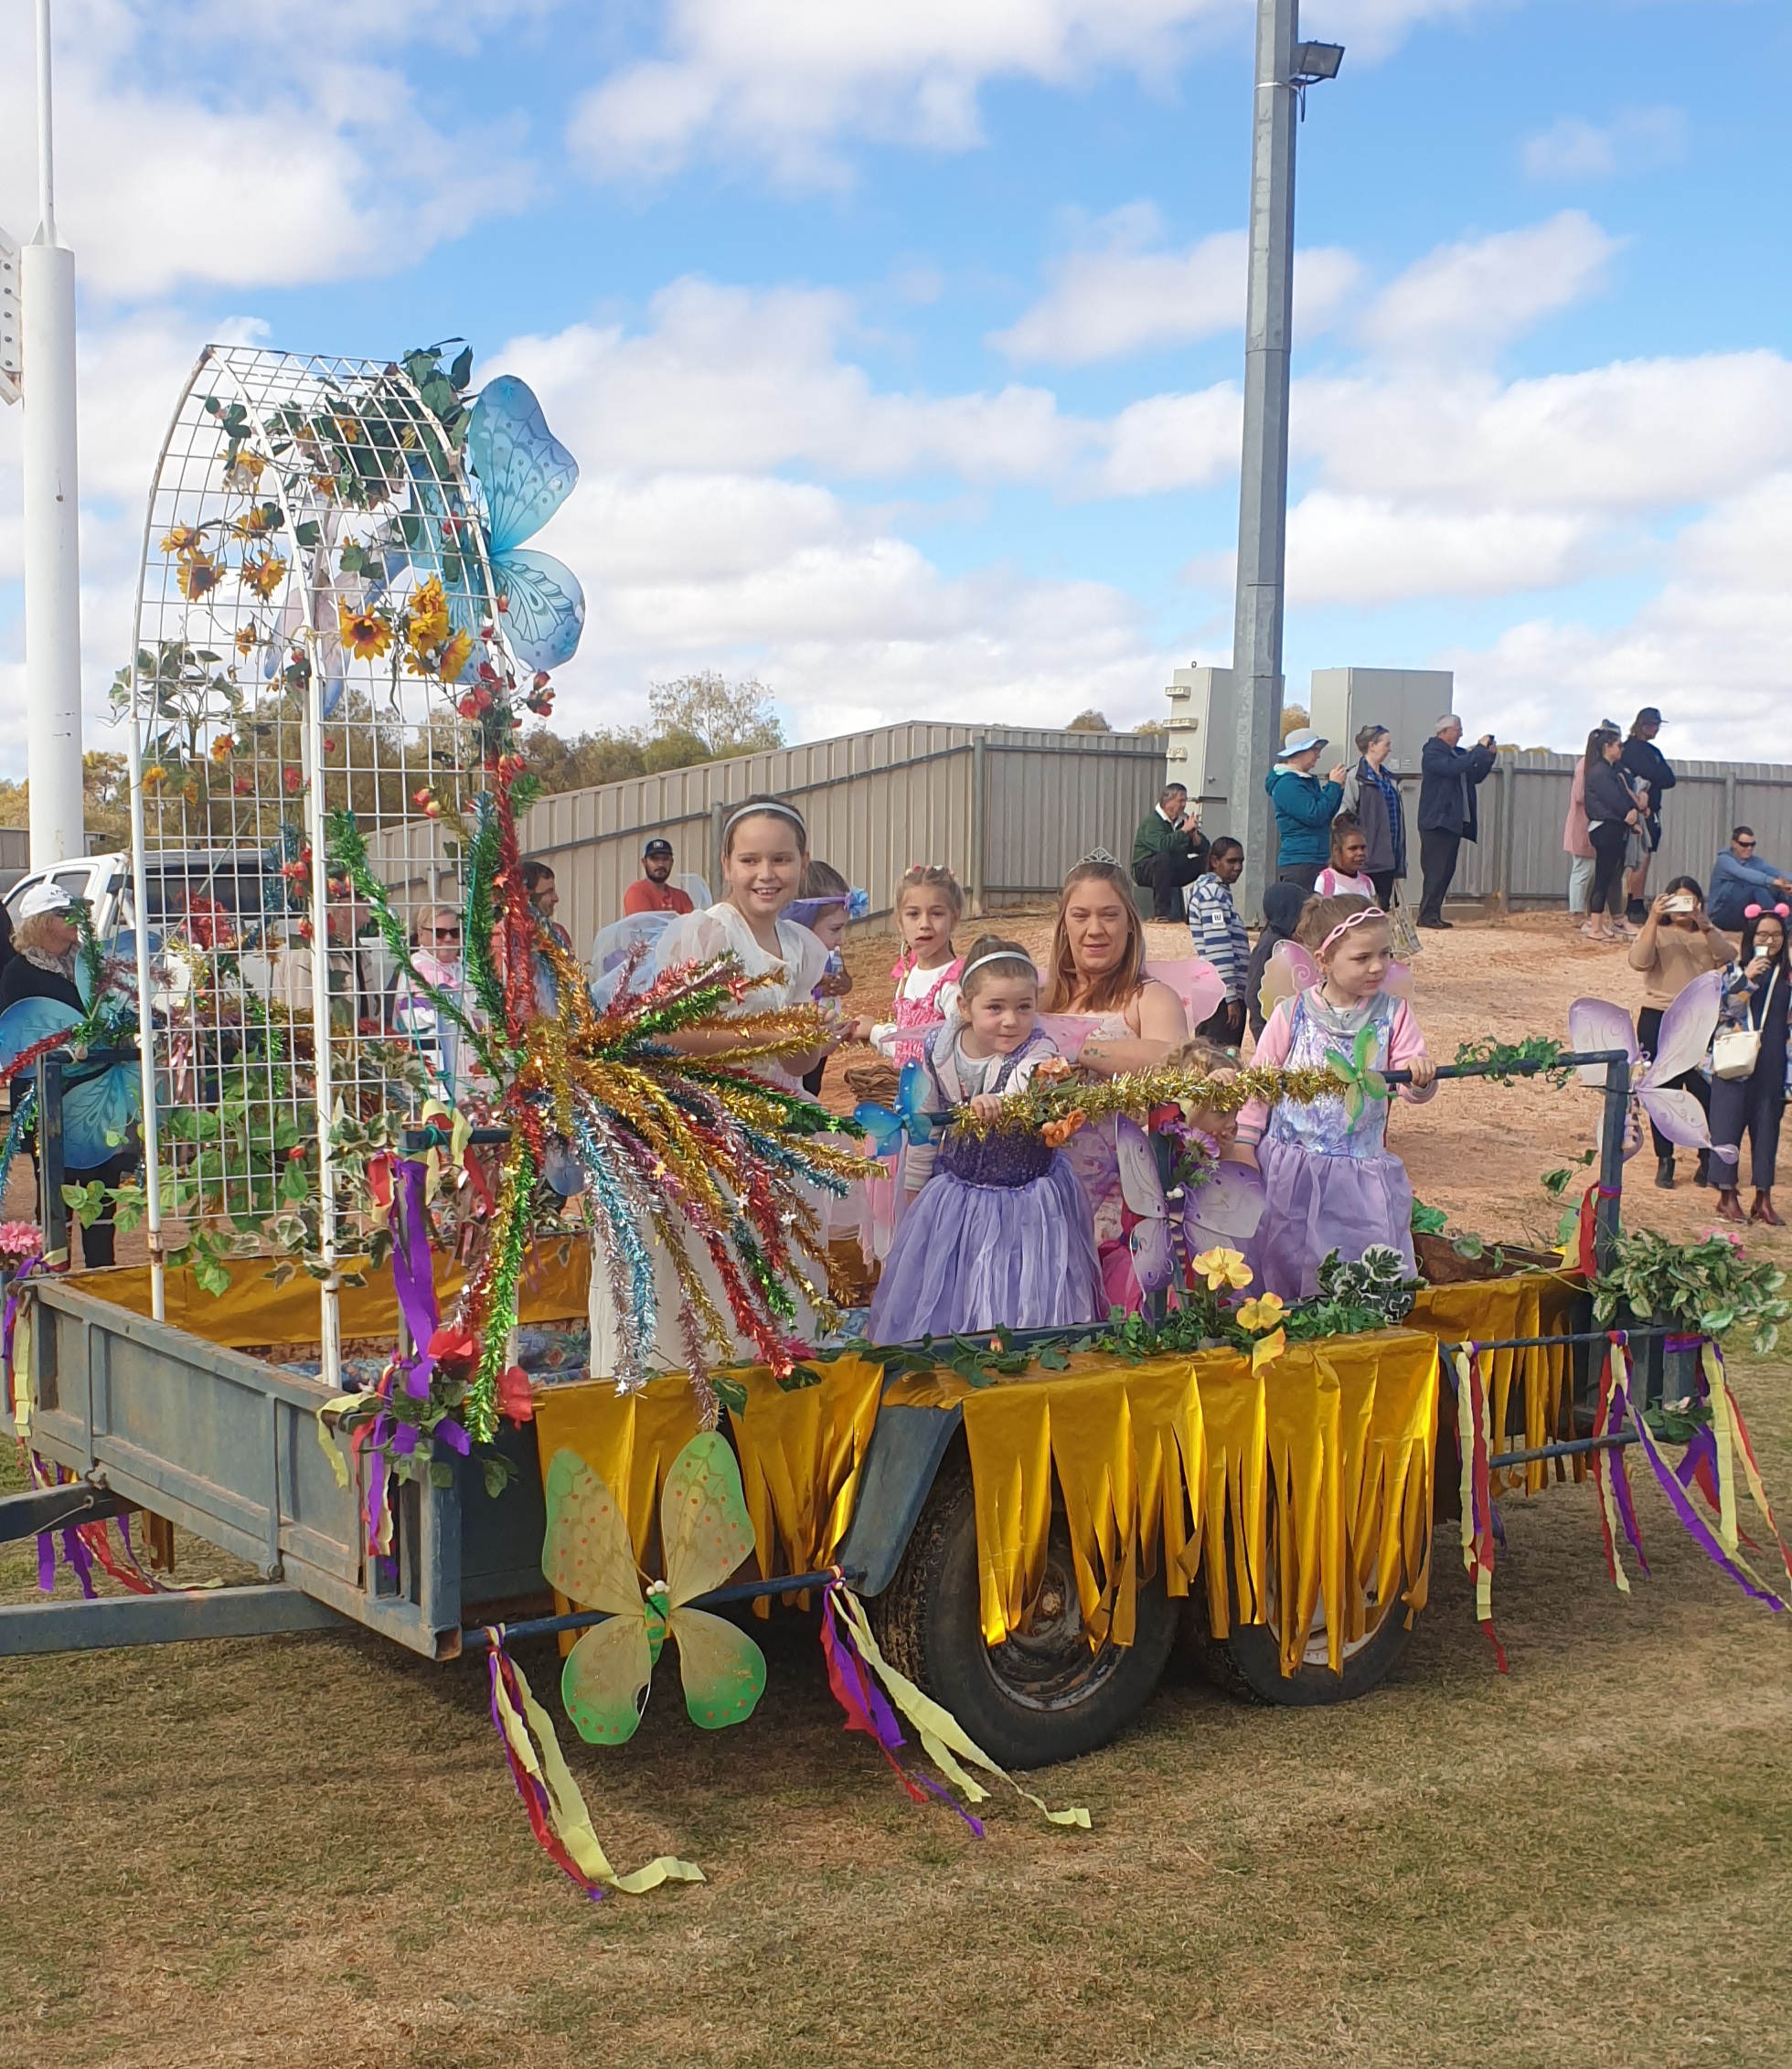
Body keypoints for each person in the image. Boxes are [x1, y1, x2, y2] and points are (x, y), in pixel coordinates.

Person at [589, 796, 838, 1374]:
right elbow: (668, 1034)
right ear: (727, 865)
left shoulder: (803, 947)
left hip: (770, 1126)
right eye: (750, 860)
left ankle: (763, 1396)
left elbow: (796, 1063)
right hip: (699, 1128)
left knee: (769, 1271)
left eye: (780, 859)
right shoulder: (705, 933)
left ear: (803, 862)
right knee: (703, 1273)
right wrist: (765, 1034)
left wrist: (814, 1038)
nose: (765, 874)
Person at [868, 936, 1100, 1339]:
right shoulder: (938, 1050)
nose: (1011, 1020)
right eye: (995, 1007)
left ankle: (1022, 1353)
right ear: (965, 1007)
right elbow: (926, 1125)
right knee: (960, 1278)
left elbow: (1025, 1085)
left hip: (1026, 1194)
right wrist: (915, 1190)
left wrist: (1001, 1103)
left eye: (1024, 1007)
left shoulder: (1039, 1049)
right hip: (960, 1192)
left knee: (1018, 1278)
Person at [1235, 895, 1438, 1298]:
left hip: (1357, 1175)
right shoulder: (1291, 1014)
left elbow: (1408, 1082)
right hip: (1290, 1171)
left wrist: (1418, 1078)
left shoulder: (1393, 1014)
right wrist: (1244, 1141)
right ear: (1324, 960)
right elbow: (1260, 1082)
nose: (1377, 966)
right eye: (1362, 958)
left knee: (1355, 1268)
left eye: (1385, 954)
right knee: (1286, 1260)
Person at [0, 885, 135, 1269]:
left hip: (100, 1096)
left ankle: (102, 1274)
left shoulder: (91, 966)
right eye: (65, 914)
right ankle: (55, 1277)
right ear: (43, 923)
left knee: (105, 1187)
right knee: (55, 1190)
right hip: (49, 1099)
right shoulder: (19, 973)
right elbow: (17, 1034)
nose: (77, 920)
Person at [1039, 858, 1189, 1075]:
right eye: (1080, 916)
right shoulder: (1037, 999)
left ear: (1129, 922)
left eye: (1109, 915)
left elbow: (1176, 1061)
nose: (1094, 929)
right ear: (1063, 925)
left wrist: (1077, 1048)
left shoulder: (1151, 998)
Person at [1628, 877, 1727, 1189]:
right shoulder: (1658, 932)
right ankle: (1665, 1159)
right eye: (1678, 902)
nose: (1685, 909)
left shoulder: (1706, 934)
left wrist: (1706, 924)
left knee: (1706, 1090)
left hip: (1699, 1019)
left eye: (1691, 901)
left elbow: (1730, 958)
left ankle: (1706, 1156)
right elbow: (1638, 961)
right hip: (1659, 1016)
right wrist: (1653, 919)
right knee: (1663, 1092)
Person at [1710, 902, 1790, 1227]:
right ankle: (1727, 1196)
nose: (1769, 941)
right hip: (1735, 1060)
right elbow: (1725, 1010)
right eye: (1763, 935)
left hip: (1772, 1062)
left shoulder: (1787, 975)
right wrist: (1747, 978)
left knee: (1767, 1128)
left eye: (1776, 935)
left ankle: (1764, 1197)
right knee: (1727, 1126)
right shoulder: (1733, 970)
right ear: (1750, 937)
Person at [857, 863, 965, 1068]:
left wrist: (875, 1032)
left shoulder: (953, 984)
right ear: (900, 922)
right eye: (913, 914)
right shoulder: (909, 972)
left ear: (955, 918)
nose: (924, 924)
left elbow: (955, 1051)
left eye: (936, 914)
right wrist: (873, 1032)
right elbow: (906, 1047)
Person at [783, 859, 860, 1098]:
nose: (841, 939)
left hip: (821, 1032)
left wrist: (841, 983)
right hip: (797, 1043)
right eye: (835, 929)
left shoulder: (831, 951)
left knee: (813, 1084)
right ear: (804, 921)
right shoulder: (787, 960)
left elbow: (844, 978)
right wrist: (816, 986)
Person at [1415, 716, 1497, 928]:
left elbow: (1474, 775)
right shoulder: (1432, 753)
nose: (1461, 734)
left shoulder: (1457, 754)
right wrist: (1478, 750)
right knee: (1436, 869)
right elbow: (1453, 768)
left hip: (1452, 822)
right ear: (1445, 731)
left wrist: (1488, 757)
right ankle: (1427, 915)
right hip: (1436, 821)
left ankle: (1433, 913)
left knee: (1446, 869)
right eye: (1458, 729)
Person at [1264, 731, 1348, 891]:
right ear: (1299, 751)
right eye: (1314, 750)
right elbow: (1314, 815)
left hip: (1314, 859)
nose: (1318, 755)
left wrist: (1338, 789)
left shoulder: (1303, 781)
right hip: (1300, 862)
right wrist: (1333, 786)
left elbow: (1326, 815)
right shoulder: (1286, 784)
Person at [1582, 727, 1642, 944]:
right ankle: (1595, 926)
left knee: (1609, 876)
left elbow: (1622, 797)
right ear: (1608, 747)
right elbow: (1615, 800)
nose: (1621, 749)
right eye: (1618, 745)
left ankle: (1600, 924)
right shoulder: (1600, 772)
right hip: (1605, 829)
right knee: (1603, 877)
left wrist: (1632, 816)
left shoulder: (1610, 770)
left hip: (1614, 828)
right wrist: (1629, 813)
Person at [1187, 837, 1250, 1044]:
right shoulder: (1212, 896)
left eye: (1241, 861)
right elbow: (1219, 948)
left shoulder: (1219, 893)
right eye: (1231, 861)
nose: (1238, 867)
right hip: (1220, 995)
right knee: (1219, 1062)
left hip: (1219, 992)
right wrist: (1230, 996)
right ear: (1215, 861)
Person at [1339, 724, 1405, 909]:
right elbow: (1344, 816)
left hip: (1389, 856)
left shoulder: (1389, 778)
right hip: (1366, 858)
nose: (1390, 748)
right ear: (1372, 745)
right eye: (1387, 744)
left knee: (1382, 908)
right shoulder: (1354, 778)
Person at [1620, 709, 1675, 925]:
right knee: (1637, 857)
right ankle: (1632, 903)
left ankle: (1637, 900)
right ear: (1642, 725)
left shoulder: (1653, 751)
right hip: (1636, 810)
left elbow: (1669, 778)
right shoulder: (1629, 749)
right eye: (1653, 725)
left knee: (1645, 855)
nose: (1656, 729)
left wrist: (1651, 776)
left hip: (1651, 810)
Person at [1131, 783, 1211, 921]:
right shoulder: (1152, 822)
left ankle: (1202, 907)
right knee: (1163, 859)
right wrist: (1184, 831)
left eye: (1185, 800)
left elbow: (1204, 848)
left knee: (1209, 860)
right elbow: (1162, 846)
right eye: (1181, 800)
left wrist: (1194, 835)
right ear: (1167, 801)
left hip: (1174, 870)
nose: (1184, 804)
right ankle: (1161, 913)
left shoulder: (1182, 821)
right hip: (1146, 871)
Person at [1244, 880, 1309, 1042]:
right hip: (1270, 1029)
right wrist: (1264, 1027)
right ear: (1289, 912)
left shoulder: (1290, 942)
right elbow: (1253, 993)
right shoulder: (1270, 945)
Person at [1708, 828, 1792, 933]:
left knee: (1781, 891)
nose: (1749, 848)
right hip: (1721, 914)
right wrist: (1774, 881)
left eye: (1752, 845)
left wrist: (1787, 884)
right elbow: (1745, 874)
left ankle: (1787, 927)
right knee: (1756, 887)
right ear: (1734, 844)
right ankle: (1781, 928)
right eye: (1744, 844)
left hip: (1742, 909)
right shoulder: (1724, 861)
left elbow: (1775, 872)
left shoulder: (1755, 861)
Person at [623, 837, 695, 918]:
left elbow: (693, 926)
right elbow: (645, 926)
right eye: (654, 859)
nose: (660, 864)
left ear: (672, 862)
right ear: (644, 862)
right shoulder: (637, 892)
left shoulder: (682, 897)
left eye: (665, 859)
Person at [1563, 752, 1595, 921]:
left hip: (1590, 825)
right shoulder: (1585, 765)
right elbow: (1579, 794)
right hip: (1582, 825)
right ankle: (1576, 912)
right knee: (1582, 870)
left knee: (1589, 872)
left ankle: (1587, 911)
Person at [1313, 813, 1376, 901]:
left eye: (1363, 847)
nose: (1360, 853)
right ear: (1336, 850)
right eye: (1353, 848)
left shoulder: (1367, 883)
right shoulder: (1325, 881)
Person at [523, 860, 574, 953]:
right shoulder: (507, 936)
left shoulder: (558, 933)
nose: (556, 898)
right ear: (528, 895)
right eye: (549, 891)